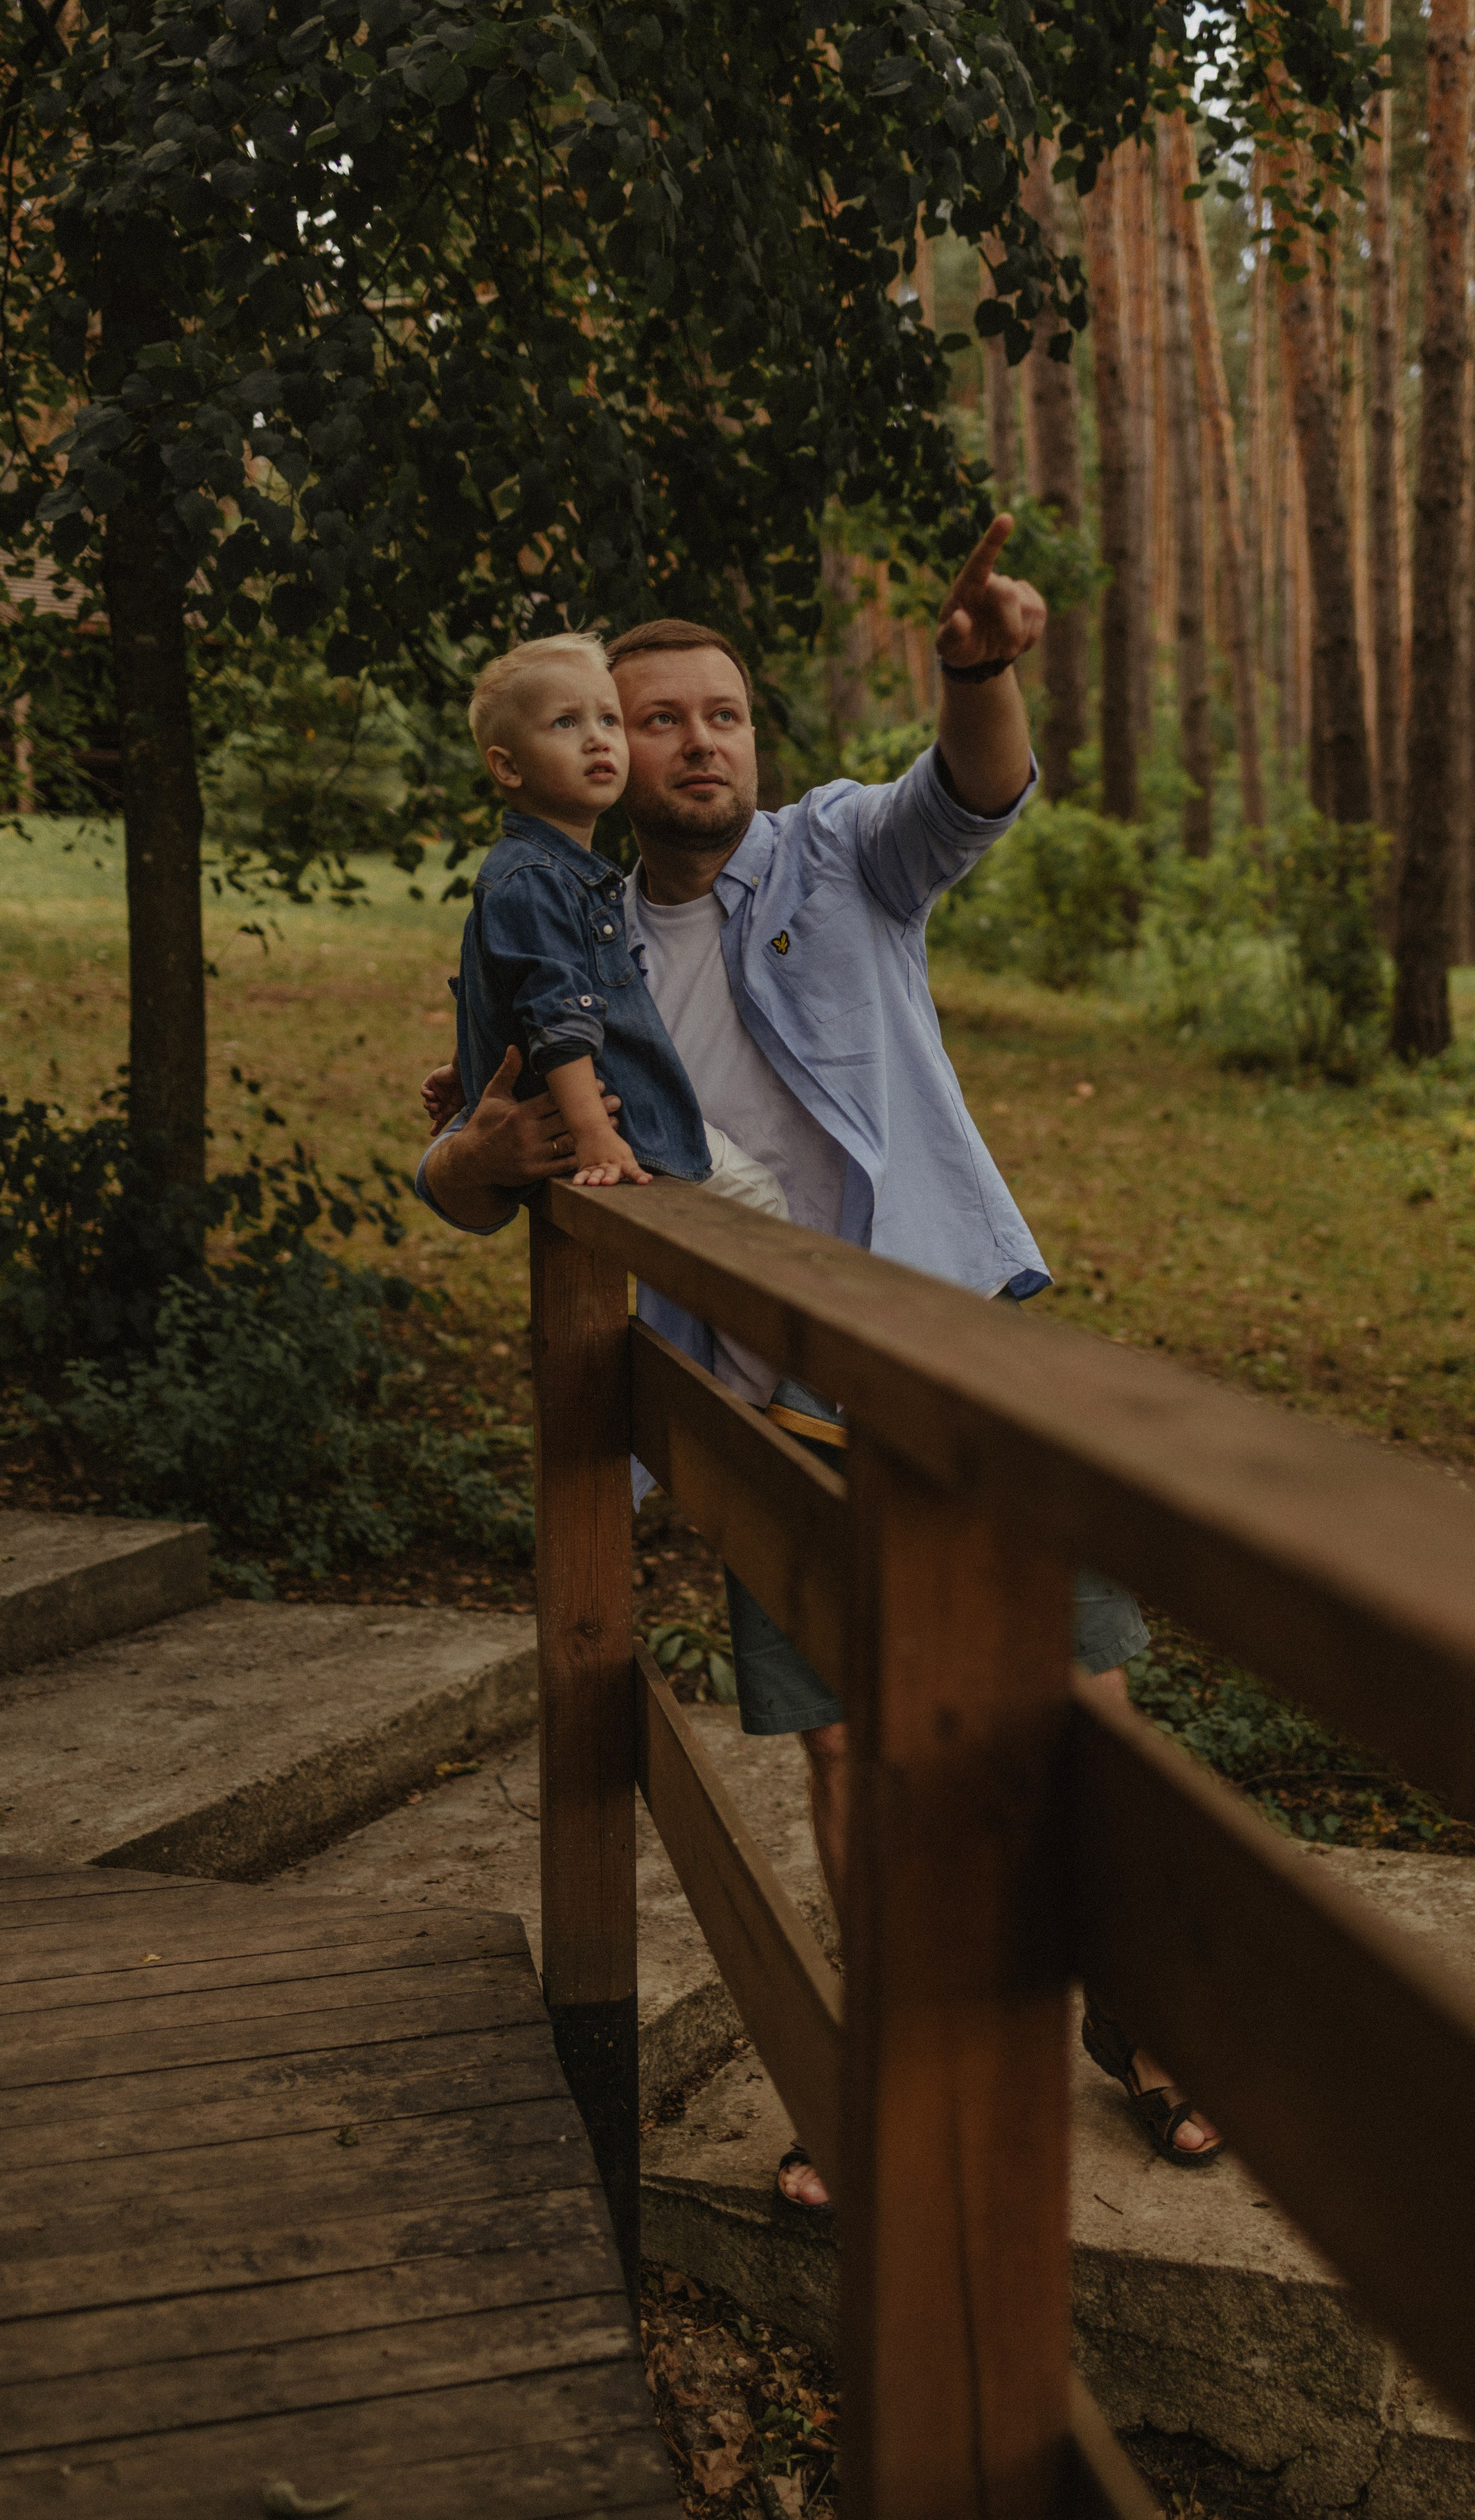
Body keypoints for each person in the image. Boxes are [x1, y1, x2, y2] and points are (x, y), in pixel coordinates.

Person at [420, 519, 1223, 2199]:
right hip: (757, 1400)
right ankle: (891, 2063)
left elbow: (968, 789)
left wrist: (979, 669)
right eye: (654, 717)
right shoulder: (548, 920)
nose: (697, 740)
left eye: (722, 713)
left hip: (955, 1366)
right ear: (588, 744)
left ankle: (1144, 2014)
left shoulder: (837, 854)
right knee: (849, 1753)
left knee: (1075, 1712)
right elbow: (462, 1165)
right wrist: (479, 1164)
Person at [426, 627, 785, 1213]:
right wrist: (597, 1136)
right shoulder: (537, 880)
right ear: (508, 768)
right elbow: (556, 1012)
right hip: (625, 1119)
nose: (597, 741)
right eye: (565, 723)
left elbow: (503, 987)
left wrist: (471, 1070)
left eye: (609, 721)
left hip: (605, 1118)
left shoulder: (561, 877)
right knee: (762, 1200)